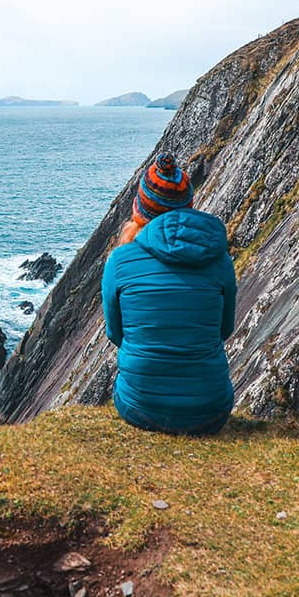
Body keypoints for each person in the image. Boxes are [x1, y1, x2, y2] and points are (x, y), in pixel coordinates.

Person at [101, 153, 236, 435]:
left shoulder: (120, 260)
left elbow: (116, 334)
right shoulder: (218, 258)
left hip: (140, 408)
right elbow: (225, 328)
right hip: (210, 412)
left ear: (139, 210)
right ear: (188, 206)